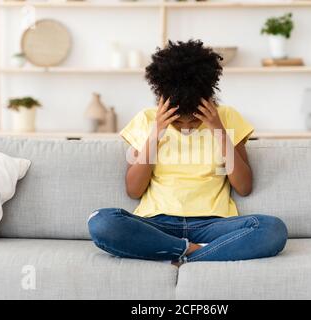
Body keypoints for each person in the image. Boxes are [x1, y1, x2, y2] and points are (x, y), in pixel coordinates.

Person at [88, 39, 287, 266]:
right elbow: (134, 190)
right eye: (177, 122)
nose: (187, 127)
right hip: (158, 224)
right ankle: (194, 251)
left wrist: (218, 130)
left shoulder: (227, 117)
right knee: (101, 222)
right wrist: (157, 132)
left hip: (213, 225)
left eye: (193, 120)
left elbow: (244, 187)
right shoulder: (147, 120)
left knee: (272, 229)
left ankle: (176, 254)